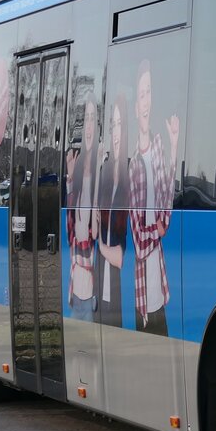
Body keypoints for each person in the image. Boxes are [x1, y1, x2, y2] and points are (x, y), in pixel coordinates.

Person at [128, 59, 178, 336]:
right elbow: (138, 240)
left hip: (158, 282)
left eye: (149, 93)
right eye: (142, 94)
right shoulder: (133, 163)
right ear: (136, 108)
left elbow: (168, 199)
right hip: (142, 293)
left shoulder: (159, 147)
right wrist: (158, 229)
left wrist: (173, 147)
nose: (146, 101)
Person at [96, 93, 129, 328]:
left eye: (120, 125)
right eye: (113, 126)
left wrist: (100, 243)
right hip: (100, 286)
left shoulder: (130, 177)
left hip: (115, 291)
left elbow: (120, 257)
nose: (115, 134)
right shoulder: (105, 177)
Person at [65, 99, 99, 323]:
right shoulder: (76, 164)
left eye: (93, 119)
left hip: (88, 291)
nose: (88, 124)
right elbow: (72, 232)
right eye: (85, 118)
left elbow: (93, 233)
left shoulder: (100, 162)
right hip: (75, 288)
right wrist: (69, 179)